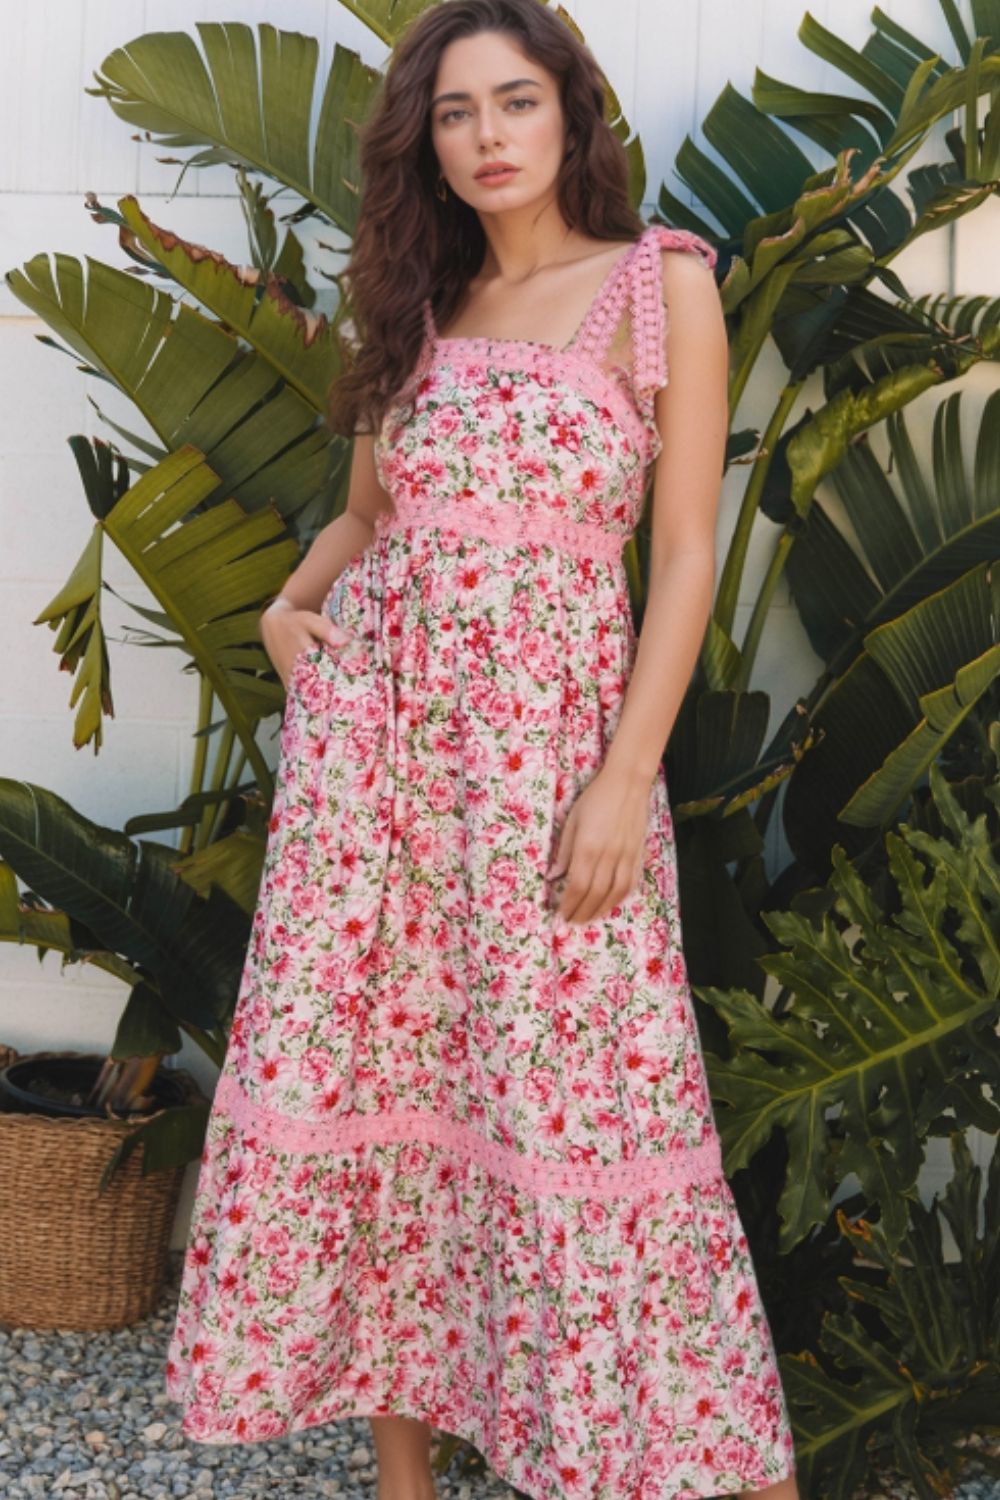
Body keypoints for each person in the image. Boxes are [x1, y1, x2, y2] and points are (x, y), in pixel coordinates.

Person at [164, 2, 801, 1498]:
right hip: (377, 780)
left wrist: (625, 779)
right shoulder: (416, 306)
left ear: (572, 113)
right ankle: (405, 1484)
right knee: (387, 1100)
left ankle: (708, 1463)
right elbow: (365, 517)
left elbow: (686, 556)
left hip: (553, 777)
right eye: (455, 112)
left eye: (516, 101)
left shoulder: (660, 285)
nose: (488, 136)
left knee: (602, 1104)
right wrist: (285, 612)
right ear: (426, 144)